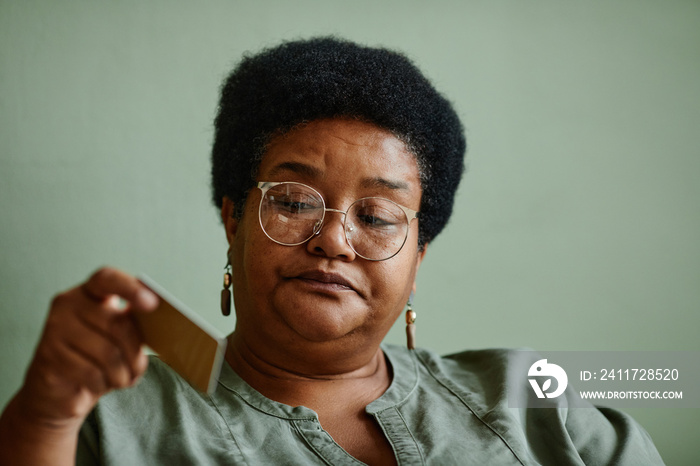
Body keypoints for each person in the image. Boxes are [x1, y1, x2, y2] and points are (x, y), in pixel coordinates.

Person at [0, 37, 663, 465]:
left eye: (376, 215)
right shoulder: (102, 425)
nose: (332, 241)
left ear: (419, 257)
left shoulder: (536, 398)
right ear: (233, 219)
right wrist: (43, 415)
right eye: (292, 202)